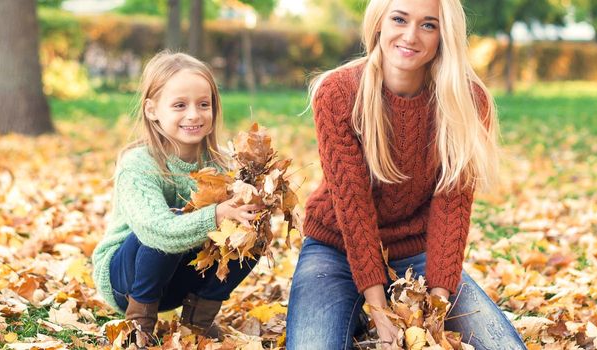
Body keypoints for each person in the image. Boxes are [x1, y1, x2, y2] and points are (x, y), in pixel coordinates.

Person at [286, 0, 526, 349]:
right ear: (379, 21)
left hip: (417, 253)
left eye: (428, 25)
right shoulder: (338, 93)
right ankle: (357, 316)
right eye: (400, 19)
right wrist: (381, 313)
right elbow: (353, 210)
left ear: (445, 34)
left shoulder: (466, 101)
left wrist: (436, 308)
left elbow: (451, 209)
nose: (411, 36)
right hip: (335, 248)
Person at [91, 51, 260, 345]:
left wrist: (252, 203)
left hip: (179, 280)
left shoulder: (221, 163)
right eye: (180, 105)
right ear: (152, 110)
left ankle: (198, 322)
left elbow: (235, 225)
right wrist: (217, 214)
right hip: (127, 281)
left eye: (203, 104)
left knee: (251, 227)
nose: (194, 114)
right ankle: (139, 324)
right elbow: (158, 232)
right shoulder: (139, 164)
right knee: (172, 219)